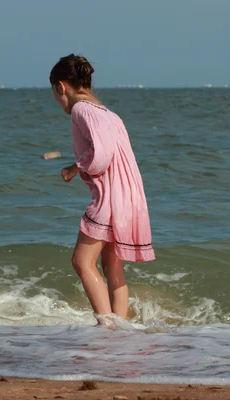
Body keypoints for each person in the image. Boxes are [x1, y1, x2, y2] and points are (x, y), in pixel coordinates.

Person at [49, 54, 155, 326]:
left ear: (61, 87)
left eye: (54, 93)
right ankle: (120, 333)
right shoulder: (109, 113)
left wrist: (76, 167)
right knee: (113, 269)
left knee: (82, 262)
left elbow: (102, 155)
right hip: (130, 198)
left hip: (110, 199)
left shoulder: (80, 110)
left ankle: (106, 326)